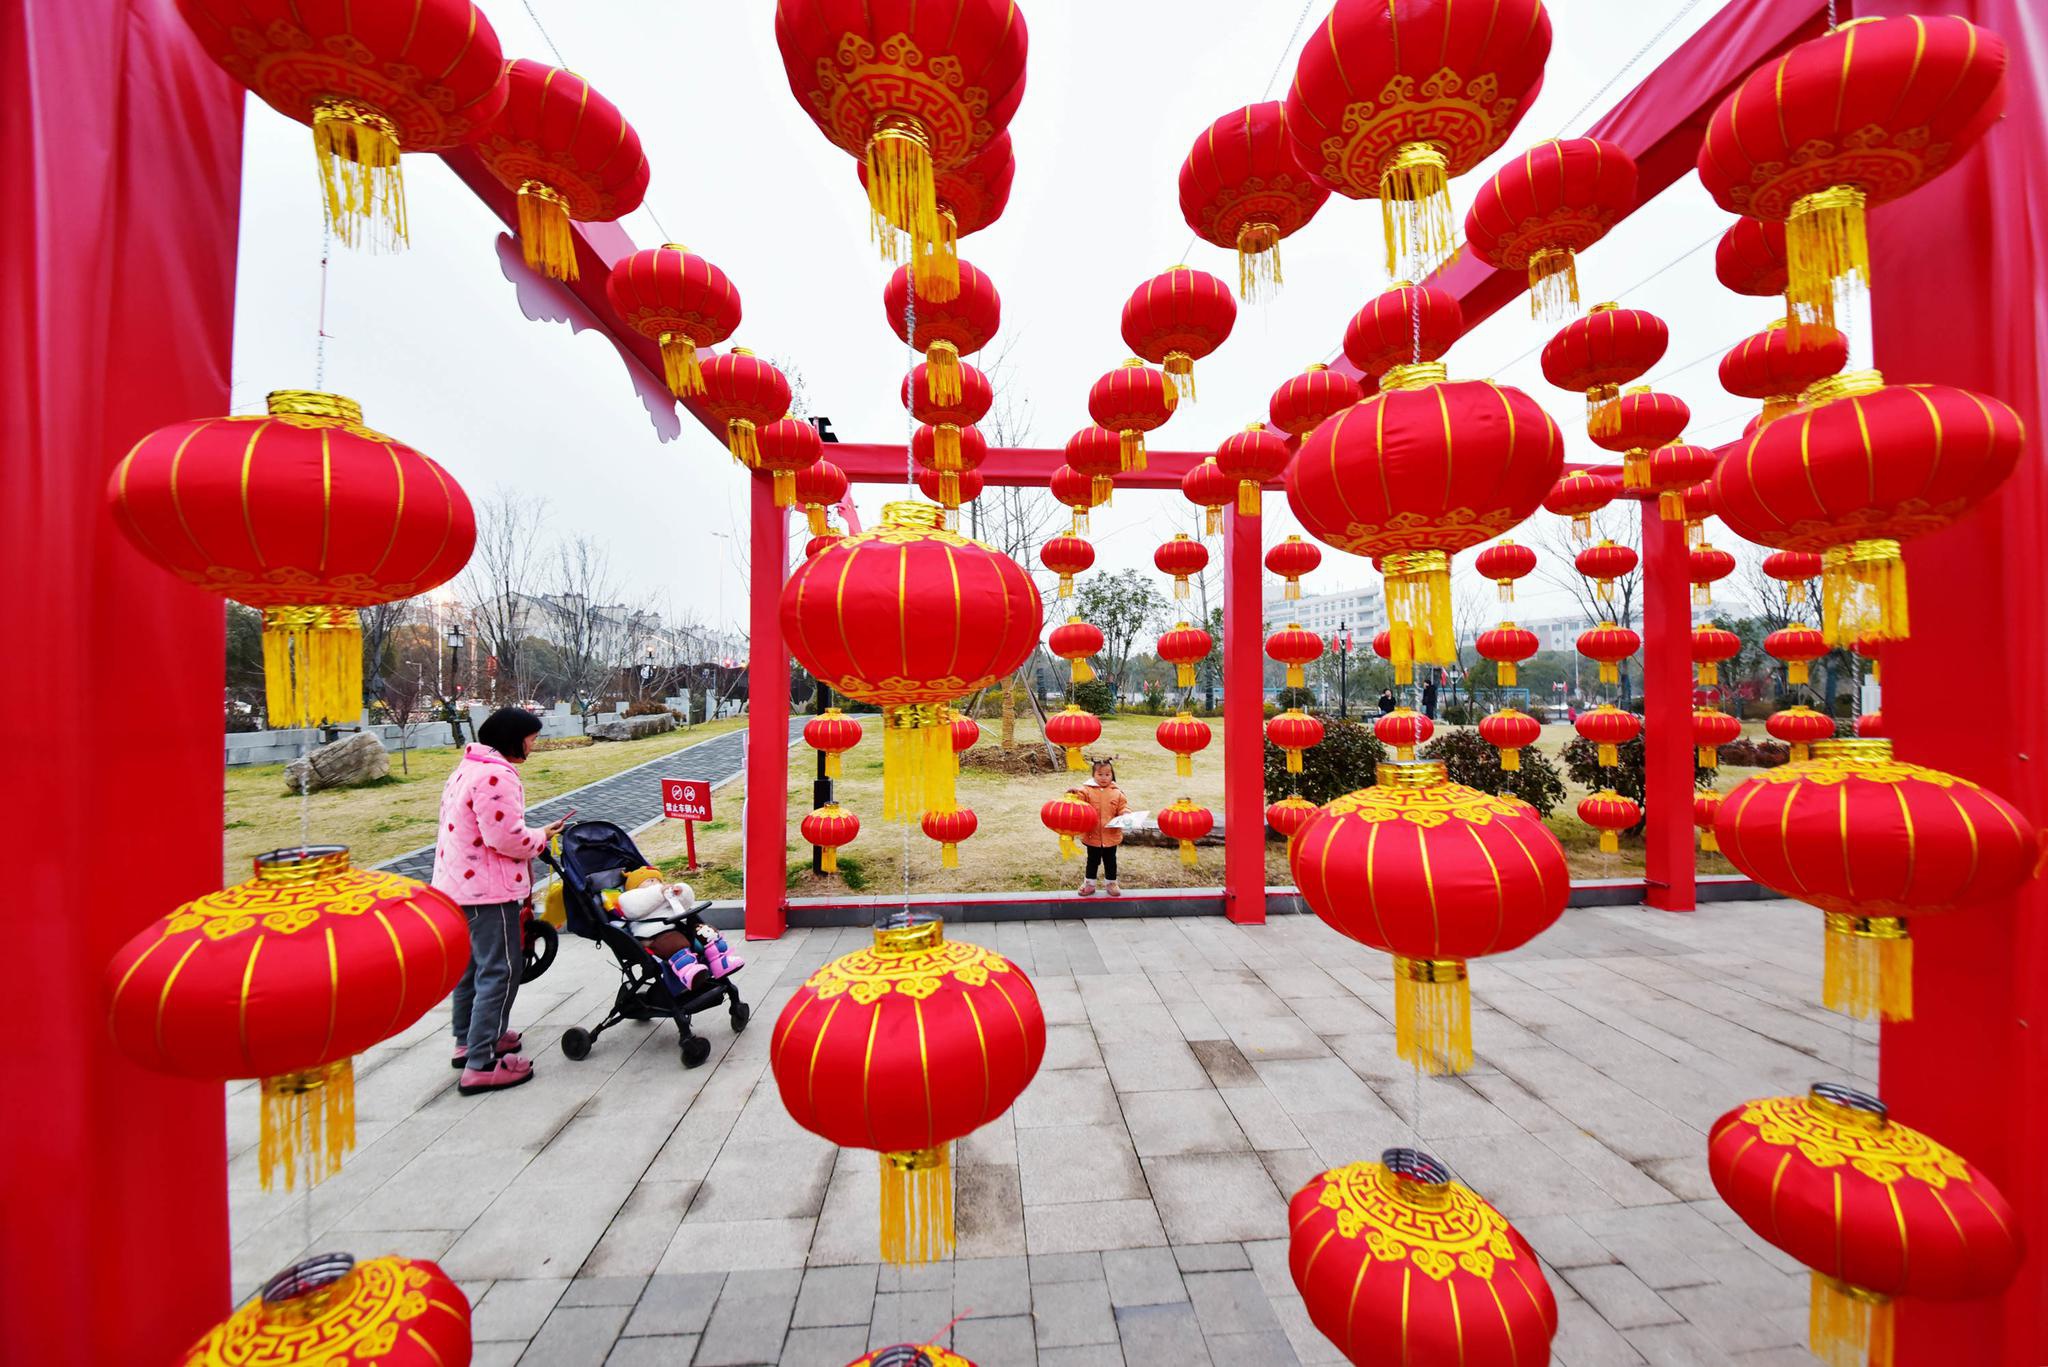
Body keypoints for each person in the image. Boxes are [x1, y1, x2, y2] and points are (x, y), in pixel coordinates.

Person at [433, 707, 567, 1095]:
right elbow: (505, 839)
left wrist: (537, 831)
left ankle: (469, 1041)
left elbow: (487, 828)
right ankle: (482, 1062)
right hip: (488, 891)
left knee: (472, 967)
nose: (533, 746)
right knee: (501, 970)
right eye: (532, 739)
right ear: (514, 738)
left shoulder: (468, 767)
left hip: (458, 888)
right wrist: (539, 838)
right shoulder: (497, 774)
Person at [1076, 757, 1130, 899]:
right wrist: (1072, 794)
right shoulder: (1086, 791)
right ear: (1093, 775)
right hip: (1092, 835)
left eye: (1107, 774)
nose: (1104, 778)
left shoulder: (1117, 793)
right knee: (1092, 861)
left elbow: (1123, 807)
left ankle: (1111, 883)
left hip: (1111, 835)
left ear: (1112, 775)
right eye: (1100, 774)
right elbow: (1078, 801)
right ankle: (1089, 884)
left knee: (1110, 861)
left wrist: (1125, 813)